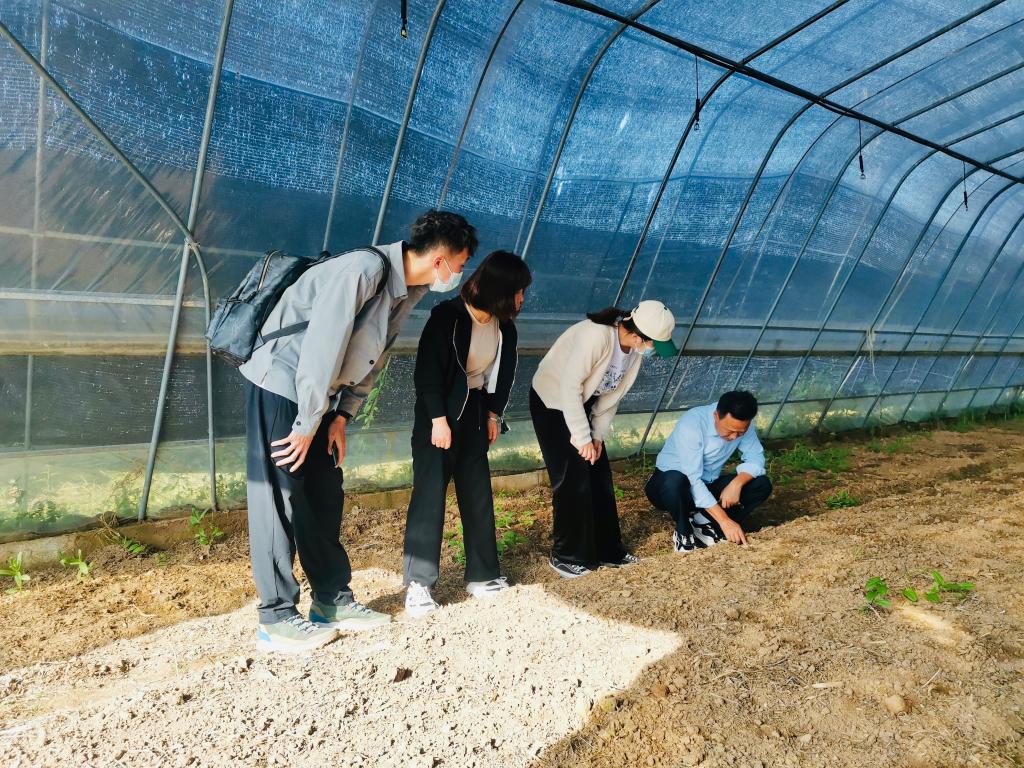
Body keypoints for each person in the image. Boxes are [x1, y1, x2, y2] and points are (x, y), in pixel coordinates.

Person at [239, 210, 478, 652]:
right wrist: (308, 421)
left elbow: (373, 354)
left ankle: (331, 600)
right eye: (462, 263)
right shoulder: (364, 270)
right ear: (441, 258)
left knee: (323, 493)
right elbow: (321, 346)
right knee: (278, 494)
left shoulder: (409, 290)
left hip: (320, 397)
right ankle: (275, 616)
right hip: (282, 382)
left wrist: (341, 416)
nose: (461, 274)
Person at [402, 251, 532, 617]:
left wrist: (493, 413)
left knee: (477, 495)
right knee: (429, 498)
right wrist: (438, 420)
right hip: (438, 415)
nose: (521, 299)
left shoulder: (504, 325)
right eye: (518, 291)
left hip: (475, 413)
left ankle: (483, 575)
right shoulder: (448, 317)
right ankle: (419, 585)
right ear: (500, 289)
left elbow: (501, 373)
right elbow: (427, 373)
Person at [530, 301, 677, 578]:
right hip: (553, 401)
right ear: (638, 335)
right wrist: (581, 437)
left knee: (599, 476)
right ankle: (566, 555)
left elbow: (610, 398)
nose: (653, 350)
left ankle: (610, 550)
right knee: (572, 478)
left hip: (583, 403)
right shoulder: (596, 336)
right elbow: (569, 387)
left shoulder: (632, 352)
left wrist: (596, 437)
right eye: (654, 344)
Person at [644, 390, 772, 553]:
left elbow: (756, 459)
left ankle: (704, 523)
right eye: (729, 431)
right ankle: (684, 534)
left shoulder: (743, 424)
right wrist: (725, 520)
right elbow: (693, 479)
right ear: (716, 416)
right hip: (669, 488)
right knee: (675, 480)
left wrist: (737, 484)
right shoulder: (692, 423)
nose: (734, 437)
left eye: (740, 433)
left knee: (761, 484)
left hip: (707, 485)